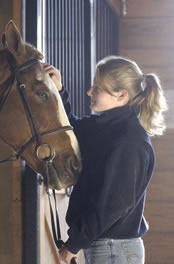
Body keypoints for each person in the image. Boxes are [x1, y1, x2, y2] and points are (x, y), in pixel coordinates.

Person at [44, 56, 168, 264]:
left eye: (98, 89)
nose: (90, 92)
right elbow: (72, 130)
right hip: (109, 246)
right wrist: (59, 90)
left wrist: (75, 243)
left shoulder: (129, 140)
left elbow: (114, 204)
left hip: (114, 247)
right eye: (93, 86)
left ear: (121, 95)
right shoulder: (106, 128)